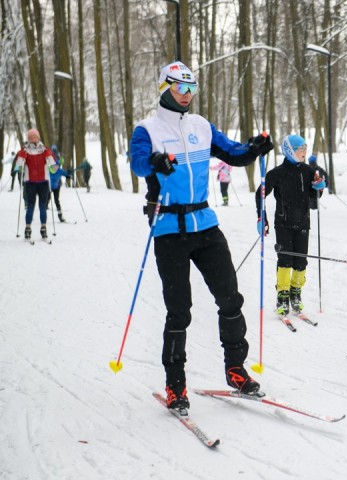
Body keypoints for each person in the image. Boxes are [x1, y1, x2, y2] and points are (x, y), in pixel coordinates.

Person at [130, 60, 273, 411]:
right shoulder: (146, 129)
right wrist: (156, 162)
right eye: (181, 88)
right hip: (169, 230)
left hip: (205, 225)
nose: (187, 95)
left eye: (192, 89)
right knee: (179, 312)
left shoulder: (201, 126)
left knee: (230, 298)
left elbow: (234, 153)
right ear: (165, 87)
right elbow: (137, 163)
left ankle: (236, 369)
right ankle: (175, 385)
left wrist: (253, 148)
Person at [256, 135, 325, 316]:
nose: (304, 152)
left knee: (301, 261)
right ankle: (282, 296)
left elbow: (313, 200)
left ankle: (295, 294)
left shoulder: (309, 171)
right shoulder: (276, 174)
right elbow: (260, 195)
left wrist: (319, 189)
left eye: (305, 148)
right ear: (289, 150)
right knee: (285, 261)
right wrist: (260, 217)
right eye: (300, 149)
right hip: (283, 224)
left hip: (303, 223)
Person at [15, 129, 58, 240]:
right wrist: (18, 163)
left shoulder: (45, 150)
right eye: (31, 137)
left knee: (43, 206)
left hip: (43, 182)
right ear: (28, 139)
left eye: (35, 137)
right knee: (30, 206)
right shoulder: (25, 150)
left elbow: (52, 163)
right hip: (30, 183)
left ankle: (43, 228)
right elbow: (18, 164)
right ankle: (28, 228)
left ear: (38, 138)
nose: (33, 139)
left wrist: (55, 167)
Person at [49, 145, 73, 222]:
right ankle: (59, 216)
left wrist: (68, 174)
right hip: (52, 185)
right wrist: (68, 174)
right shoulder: (57, 168)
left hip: (53, 186)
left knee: (52, 200)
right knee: (55, 201)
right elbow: (62, 168)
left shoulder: (53, 164)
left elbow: (64, 171)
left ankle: (59, 216)